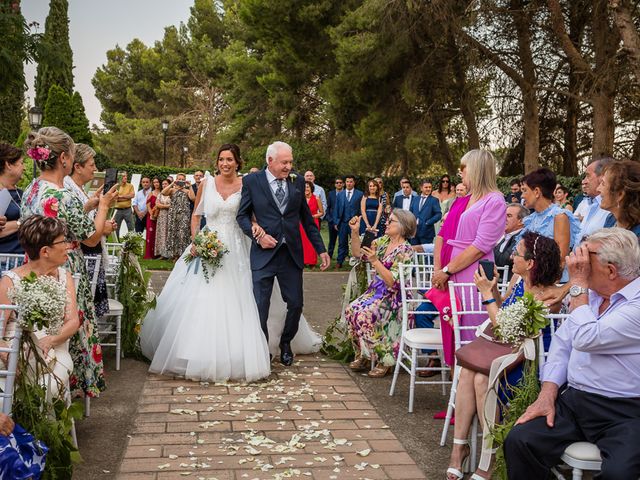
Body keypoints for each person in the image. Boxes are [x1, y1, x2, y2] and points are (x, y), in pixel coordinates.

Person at [142, 144, 323, 381]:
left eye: (229, 159)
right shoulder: (206, 183)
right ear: (217, 162)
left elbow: (251, 216)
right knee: (202, 300)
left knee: (249, 299)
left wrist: (257, 231)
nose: (225, 163)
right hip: (209, 243)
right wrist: (197, 242)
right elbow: (196, 217)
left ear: (238, 162)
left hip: (239, 246)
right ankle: (195, 351)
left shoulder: (247, 183)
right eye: (221, 159)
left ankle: (258, 348)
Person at [504, 228, 640, 480]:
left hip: (626, 412)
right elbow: (563, 343)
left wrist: (577, 286)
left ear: (610, 270)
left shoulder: (635, 304)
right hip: (575, 402)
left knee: (619, 474)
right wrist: (547, 392)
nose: (577, 264)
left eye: (584, 259)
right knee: (520, 440)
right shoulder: (593, 297)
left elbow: (586, 337)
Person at [446, 232, 563, 480]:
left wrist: (487, 296)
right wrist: (494, 291)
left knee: (480, 379)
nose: (511, 257)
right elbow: (504, 312)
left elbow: (506, 329)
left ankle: (489, 457)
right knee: (469, 370)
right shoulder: (519, 282)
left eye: (516, 253)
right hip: (505, 354)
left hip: (530, 364)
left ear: (531, 262)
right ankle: (459, 449)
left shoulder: (549, 296)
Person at [22, 127, 117, 399]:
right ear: (63, 158)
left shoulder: (33, 188)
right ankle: (69, 391)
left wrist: (85, 208)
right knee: (71, 328)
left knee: (47, 326)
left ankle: (48, 390)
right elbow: (91, 237)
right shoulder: (62, 195)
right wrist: (103, 207)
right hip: (65, 270)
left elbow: (59, 220)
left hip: (37, 268)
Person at [237, 141, 330, 366]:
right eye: (284, 162)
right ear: (270, 161)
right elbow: (242, 216)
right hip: (264, 254)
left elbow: (307, 221)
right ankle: (263, 348)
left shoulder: (297, 182)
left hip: (290, 254)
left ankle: (286, 342)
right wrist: (258, 236)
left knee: (296, 303)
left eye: (290, 162)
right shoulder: (252, 181)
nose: (289, 166)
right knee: (261, 305)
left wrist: (321, 249)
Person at [431, 149, 506, 368]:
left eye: (464, 168)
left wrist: (447, 270)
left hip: (472, 272)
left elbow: (480, 246)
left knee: (471, 329)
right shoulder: (471, 198)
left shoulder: (495, 200)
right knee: (457, 327)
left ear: (476, 170)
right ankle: (459, 396)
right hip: (458, 269)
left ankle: (473, 390)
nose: (460, 173)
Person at [0, 216, 81, 399]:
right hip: (15, 348)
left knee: (47, 387)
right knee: (31, 383)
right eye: (63, 241)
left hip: (55, 346)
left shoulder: (63, 276)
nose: (68, 245)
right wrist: (11, 359)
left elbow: (72, 321)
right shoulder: (10, 281)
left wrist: (50, 340)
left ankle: (29, 424)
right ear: (45, 251)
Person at [345, 209, 415, 377]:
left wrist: (375, 261)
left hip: (395, 297)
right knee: (351, 310)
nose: (386, 223)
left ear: (403, 226)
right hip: (376, 292)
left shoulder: (406, 250)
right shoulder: (383, 241)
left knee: (365, 314)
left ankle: (386, 360)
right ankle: (364, 354)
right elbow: (357, 253)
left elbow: (393, 282)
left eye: (391, 221)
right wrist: (355, 233)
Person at [64, 143, 115, 317]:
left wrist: (95, 205)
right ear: (77, 167)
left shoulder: (79, 189)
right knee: (84, 310)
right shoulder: (67, 189)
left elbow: (83, 216)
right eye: (92, 165)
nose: (96, 169)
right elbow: (82, 227)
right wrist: (103, 207)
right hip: (85, 254)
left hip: (91, 253)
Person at [518, 168, 581, 282]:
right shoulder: (530, 219)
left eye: (525, 190)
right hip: (530, 281)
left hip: (552, 283)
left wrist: (548, 291)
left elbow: (560, 259)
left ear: (537, 192)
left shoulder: (559, 217)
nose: (522, 196)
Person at [575, 157, 616, 244]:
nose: (584, 182)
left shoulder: (612, 210)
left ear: (602, 176)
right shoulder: (591, 205)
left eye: (588, 175)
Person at [599, 159, 640, 238]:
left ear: (620, 195)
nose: (598, 189)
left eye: (603, 184)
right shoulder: (611, 219)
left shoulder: (637, 236)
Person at [0, 143, 25, 257]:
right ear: (8, 164)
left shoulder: (21, 193)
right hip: (6, 259)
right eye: (21, 163)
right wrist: (21, 223)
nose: (24, 168)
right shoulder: (1, 194)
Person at [333, 175, 363, 268]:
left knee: (356, 242)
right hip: (343, 222)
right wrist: (336, 222)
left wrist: (359, 220)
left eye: (351, 181)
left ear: (354, 183)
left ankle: (357, 261)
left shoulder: (359, 194)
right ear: (345, 183)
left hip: (355, 222)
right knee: (342, 242)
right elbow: (336, 208)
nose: (349, 183)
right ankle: (340, 261)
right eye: (347, 182)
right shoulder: (340, 194)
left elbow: (361, 209)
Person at [493, 203, 528, 280]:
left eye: (509, 216)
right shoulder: (504, 236)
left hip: (509, 285)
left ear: (521, 221)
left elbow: (503, 261)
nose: (504, 219)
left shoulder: (523, 237)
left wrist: (490, 246)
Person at [163, 173, 193, 259]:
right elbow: (163, 192)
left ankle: (182, 254)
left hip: (184, 215)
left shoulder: (187, 191)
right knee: (173, 234)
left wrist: (190, 186)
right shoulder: (172, 190)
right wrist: (173, 183)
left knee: (183, 234)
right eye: (179, 179)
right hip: (173, 215)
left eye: (182, 179)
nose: (180, 181)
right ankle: (174, 255)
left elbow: (193, 198)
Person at [410, 180, 441, 245]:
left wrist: (428, 222)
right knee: (414, 252)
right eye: (426, 187)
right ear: (421, 188)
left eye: (430, 187)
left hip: (427, 232)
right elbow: (410, 212)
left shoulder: (434, 200)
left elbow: (438, 214)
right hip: (414, 232)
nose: (428, 189)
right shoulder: (415, 199)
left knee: (426, 254)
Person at [301, 181, 324, 267]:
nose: (306, 189)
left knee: (312, 241)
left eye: (307, 187)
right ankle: (303, 261)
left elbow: (322, 212)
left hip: (313, 222)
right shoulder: (301, 198)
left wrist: (314, 216)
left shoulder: (317, 198)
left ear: (311, 188)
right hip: (302, 223)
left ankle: (312, 262)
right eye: (304, 187)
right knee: (303, 242)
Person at [113, 171, 135, 239]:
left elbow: (132, 195)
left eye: (126, 176)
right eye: (123, 176)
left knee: (131, 227)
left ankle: (131, 242)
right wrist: (126, 198)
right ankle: (117, 243)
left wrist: (120, 197)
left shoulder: (130, 186)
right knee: (116, 227)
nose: (125, 177)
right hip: (118, 210)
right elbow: (115, 198)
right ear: (119, 177)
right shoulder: (116, 186)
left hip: (128, 209)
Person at [326, 177, 344, 259]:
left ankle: (343, 256)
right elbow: (328, 207)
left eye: (340, 182)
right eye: (337, 183)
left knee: (343, 241)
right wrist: (330, 219)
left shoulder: (346, 193)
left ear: (343, 184)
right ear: (335, 184)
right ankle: (329, 255)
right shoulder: (331, 194)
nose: (339, 184)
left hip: (343, 221)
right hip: (332, 221)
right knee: (332, 240)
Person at [144, 177, 162, 259]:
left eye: (157, 182)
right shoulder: (151, 193)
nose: (156, 184)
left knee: (157, 235)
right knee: (150, 234)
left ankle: (157, 254)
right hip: (150, 216)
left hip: (160, 216)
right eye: (154, 182)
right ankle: (149, 254)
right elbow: (147, 204)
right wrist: (151, 213)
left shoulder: (163, 192)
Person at [154, 179, 171, 258]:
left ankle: (169, 253)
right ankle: (161, 253)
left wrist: (162, 206)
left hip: (170, 216)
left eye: (166, 184)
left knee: (168, 234)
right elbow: (157, 205)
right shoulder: (160, 194)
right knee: (161, 234)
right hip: (161, 216)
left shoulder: (172, 193)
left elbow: (173, 205)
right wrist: (167, 206)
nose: (164, 185)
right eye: (163, 184)